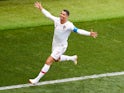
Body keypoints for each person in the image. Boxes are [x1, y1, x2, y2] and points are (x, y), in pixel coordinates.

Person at [29, 1, 98, 84]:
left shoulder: (69, 25)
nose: (61, 15)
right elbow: (48, 15)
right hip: (55, 44)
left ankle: (36, 80)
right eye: (61, 13)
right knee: (57, 59)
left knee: (48, 61)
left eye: (63, 14)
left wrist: (89, 33)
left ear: (67, 16)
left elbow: (78, 30)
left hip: (61, 46)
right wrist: (41, 8)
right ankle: (72, 58)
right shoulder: (56, 20)